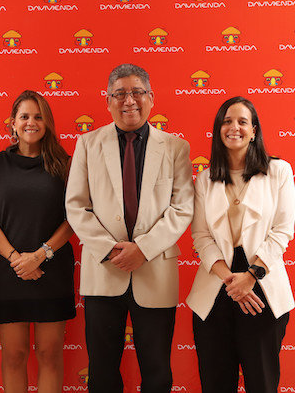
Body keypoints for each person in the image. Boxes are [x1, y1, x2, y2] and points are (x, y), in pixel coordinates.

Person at [66, 63, 194, 393]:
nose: (129, 101)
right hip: (103, 273)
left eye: (137, 92)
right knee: (103, 373)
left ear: (151, 98)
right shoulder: (87, 144)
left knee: (157, 372)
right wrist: (110, 249)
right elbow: (76, 205)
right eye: (120, 94)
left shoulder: (176, 148)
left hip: (155, 272)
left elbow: (182, 208)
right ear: (108, 101)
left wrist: (144, 249)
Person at [186, 96, 295, 393]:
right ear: (218, 130)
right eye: (226, 121)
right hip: (215, 289)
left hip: (262, 289)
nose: (234, 127)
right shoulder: (204, 179)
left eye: (242, 121)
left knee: (261, 382)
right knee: (215, 382)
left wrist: (249, 278)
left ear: (254, 130)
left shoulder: (279, 172)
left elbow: (282, 231)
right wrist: (231, 281)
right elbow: (201, 236)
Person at [0, 90, 75, 393]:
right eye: (24, 116)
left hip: (52, 269)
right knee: (14, 355)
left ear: (47, 122)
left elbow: (74, 218)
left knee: (49, 354)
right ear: (12, 123)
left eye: (38, 116)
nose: (31, 122)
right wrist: (17, 259)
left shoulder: (65, 162)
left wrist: (40, 255)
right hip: (8, 272)